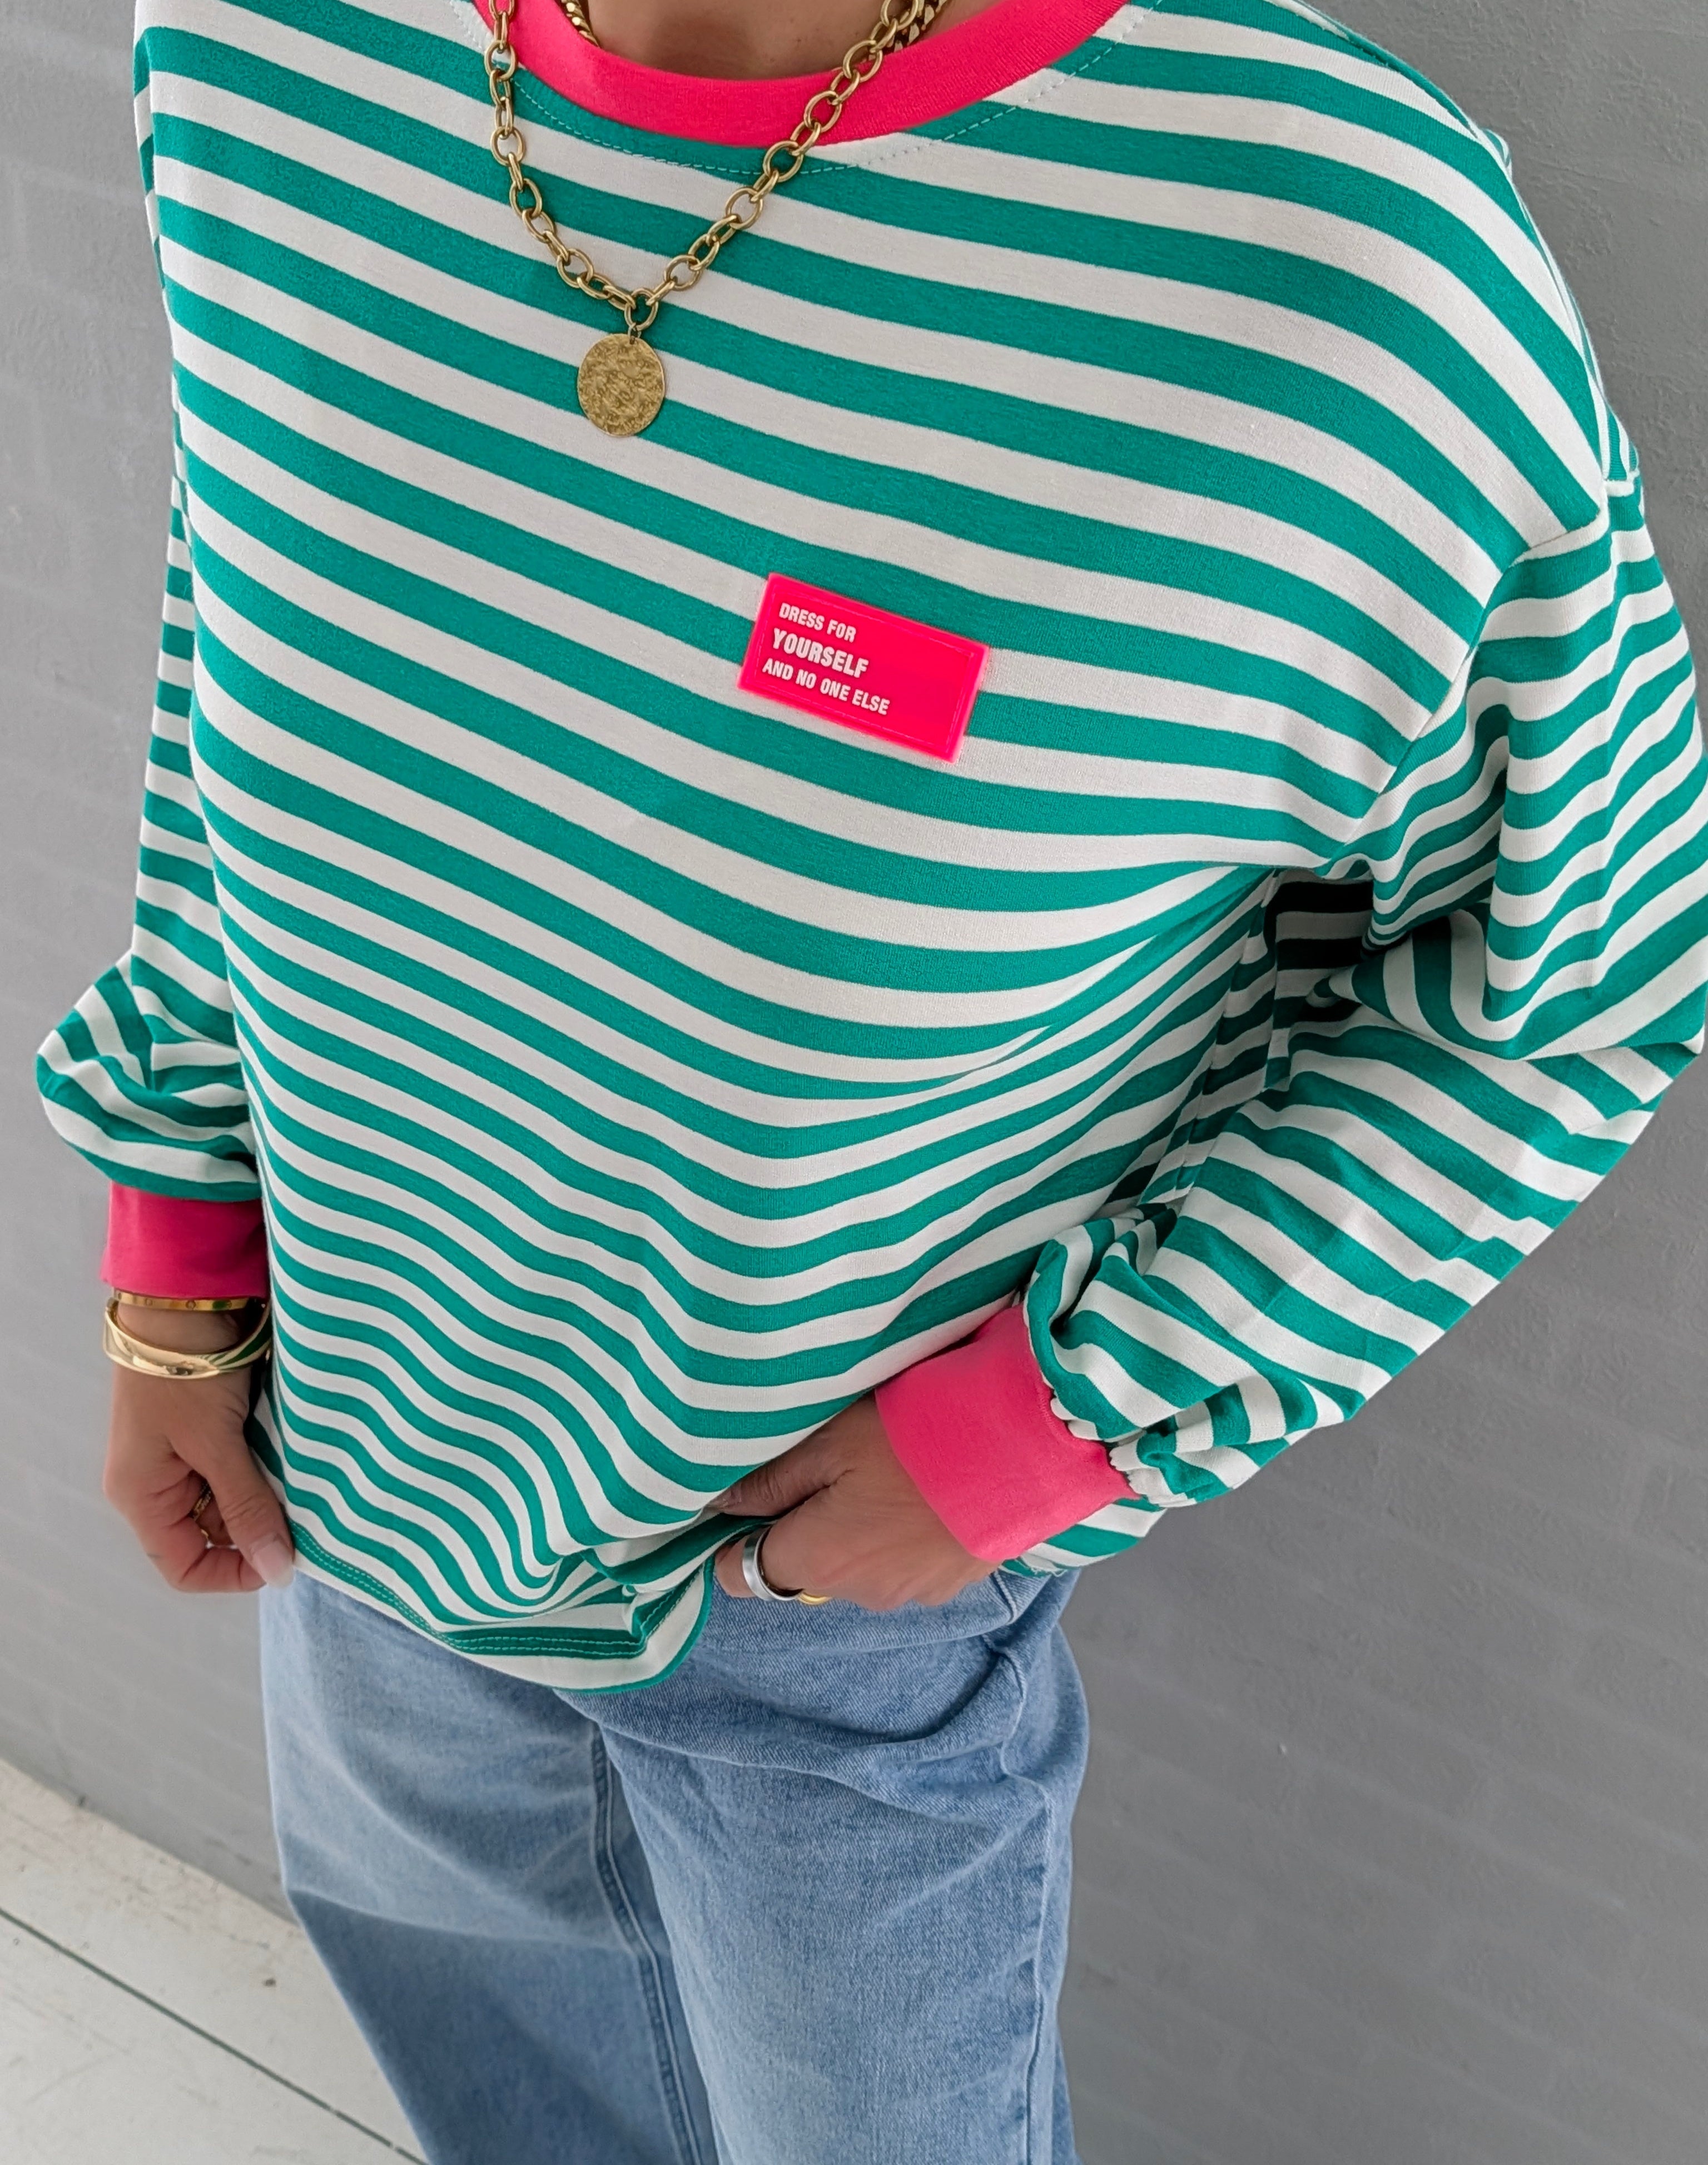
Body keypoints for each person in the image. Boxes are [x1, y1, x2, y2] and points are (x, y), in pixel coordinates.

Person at [38, 0, 1707, 2157]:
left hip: (823, 1596)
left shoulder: (1339, 267)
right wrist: (178, 1258)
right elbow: (239, 663)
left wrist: (1059, 1414)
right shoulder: (255, 50)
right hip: (350, 1452)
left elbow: (1568, 988)